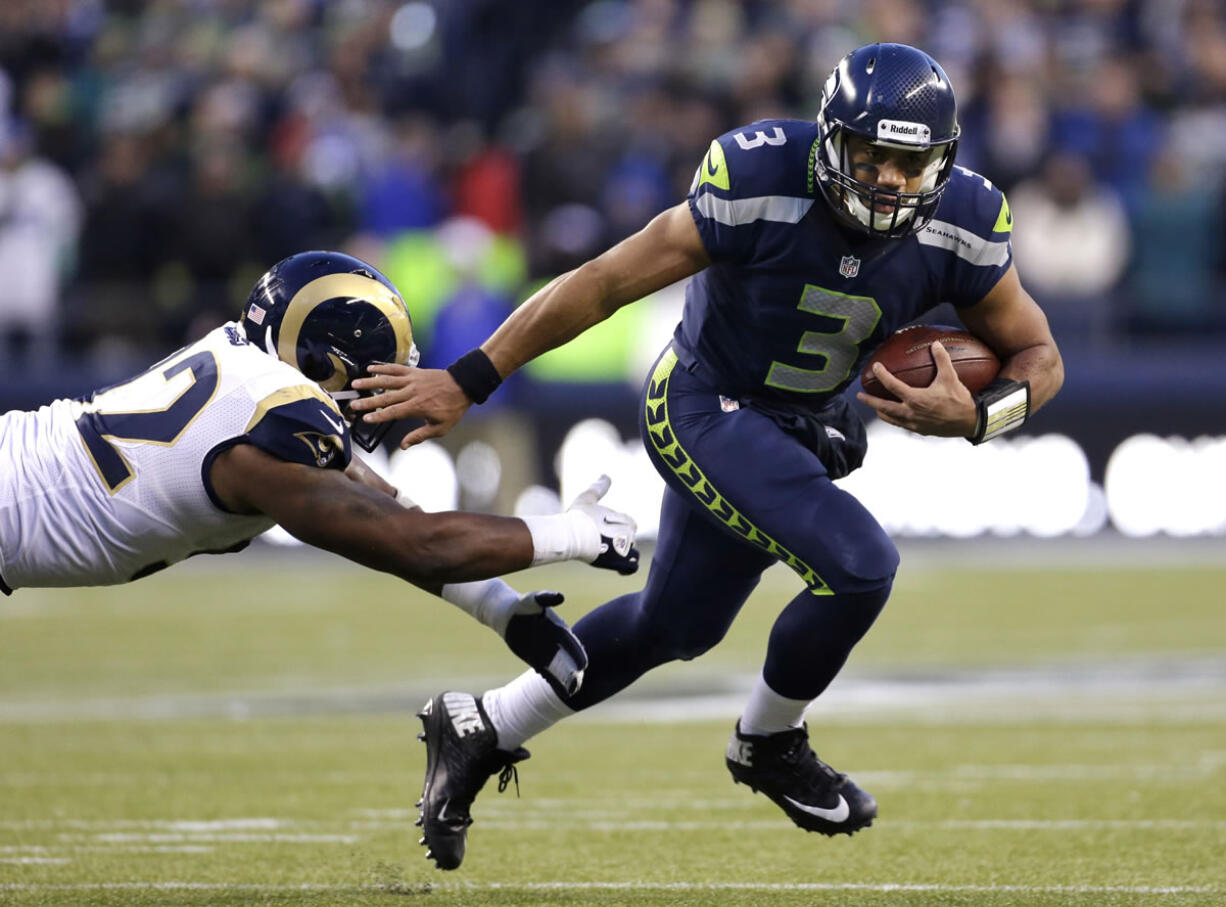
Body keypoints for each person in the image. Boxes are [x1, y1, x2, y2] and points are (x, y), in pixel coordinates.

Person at [351, 43, 1065, 871]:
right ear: (830, 140)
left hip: (802, 425)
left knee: (674, 625)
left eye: (909, 164)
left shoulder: (965, 220)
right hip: (704, 404)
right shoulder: (759, 177)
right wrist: (471, 378)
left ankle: (481, 726)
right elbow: (606, 280)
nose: (887, 181)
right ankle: (768, 738)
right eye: (870, 156)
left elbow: (1039, 353)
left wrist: (980, 414)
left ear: (941, 163)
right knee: (861, 565)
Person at [0, 250, 642, 700]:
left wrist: (501, 609)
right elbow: (413, 542)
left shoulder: (247, 373)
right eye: (378, 369)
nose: (386, 387)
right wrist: (573, 534)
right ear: (327, 364)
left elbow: (383, 505)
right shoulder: (265, 433)